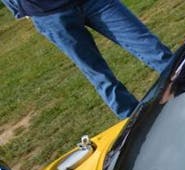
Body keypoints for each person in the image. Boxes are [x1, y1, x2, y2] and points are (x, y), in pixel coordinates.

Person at [1, 0, 173, 118]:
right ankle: (136, 124)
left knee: (153, 49)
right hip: (50, 16)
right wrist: (20, 8)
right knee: (101, 77)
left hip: (97, 4)